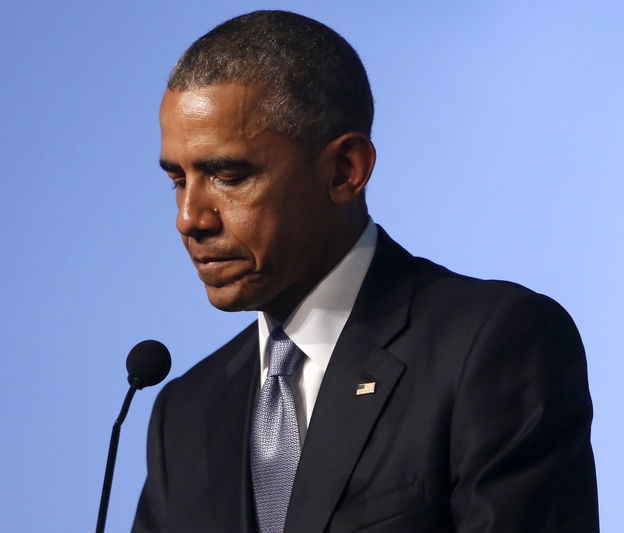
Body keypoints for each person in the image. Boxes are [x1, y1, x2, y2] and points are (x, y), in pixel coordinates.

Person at [133, 10, 598, 533]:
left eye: (230, 176)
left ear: (344, 171)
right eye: (178, 179)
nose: (189, 218)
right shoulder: (184, 416)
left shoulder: (493, 343)